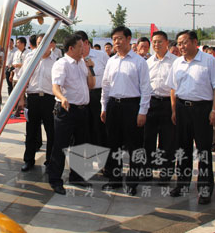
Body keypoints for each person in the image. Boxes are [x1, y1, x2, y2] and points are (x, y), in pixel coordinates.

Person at [166, 30, 215, 205]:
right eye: (179, 43)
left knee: (204, 150)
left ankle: (205, 189)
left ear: (195, 42)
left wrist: (214, 111)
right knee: (183, 149)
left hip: (202, 110)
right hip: (182, 109)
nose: (181, 46)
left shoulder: (208, 61)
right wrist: (174, 110)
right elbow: (173, 89)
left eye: (184, 42)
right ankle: (182, 184)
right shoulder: (177, 63)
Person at [100, 26, 152, 196]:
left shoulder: (139, 62)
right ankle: (114, 179)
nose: (116, 42)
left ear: (129, 39)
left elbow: (146, 88)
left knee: (134, 146)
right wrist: (104, 106)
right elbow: (105, 86)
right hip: (113, 106)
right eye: (114, 39)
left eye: (120, 38)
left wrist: (142, 111)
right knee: (113, 144)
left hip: (132, 106)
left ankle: (132, 182)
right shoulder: (111, 61)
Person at [47, 33, 95, 195]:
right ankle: (55, 179)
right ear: (71, 48)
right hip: (66, 110)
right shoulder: (62, 64)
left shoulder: (82, 63)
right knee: (61, 145)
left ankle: (76, 176)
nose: (84, 49)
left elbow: (91, 84)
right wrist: (62, 98)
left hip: (82, 110)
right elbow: (56, 87)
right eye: (81, 46)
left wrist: (90, 68)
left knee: (81, 144)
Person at [143, 31, 177, 185]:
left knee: (167, 141)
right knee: (148, 140)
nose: (157, 45)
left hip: (168, 104)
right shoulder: (148, 62)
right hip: (151, 103)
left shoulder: (175, 62)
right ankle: (147, 171)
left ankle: (166, 173)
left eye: (160, 42)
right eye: (154, 42)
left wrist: (175, 109)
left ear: (167, 42)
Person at [19, 34, 56, 172]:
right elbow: (23, 79)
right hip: (33, 99)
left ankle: (50, 160)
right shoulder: (30, 58)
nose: (42, 45)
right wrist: (22, 99)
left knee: (51, 131)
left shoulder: (56, 61)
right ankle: (28, 160)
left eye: (45, 42)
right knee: (31, 131)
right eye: (39, 42)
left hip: (50, 100)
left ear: (51, 44)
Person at [75, 30, 109, 147]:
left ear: (86, 43)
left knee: (99, 127)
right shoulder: (74, 58)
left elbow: (109, 77)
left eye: (79, 44)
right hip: (80, 96)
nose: (77, 47)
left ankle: (102, 159)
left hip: (97, 95)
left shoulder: (101, 56)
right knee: (83, 128)